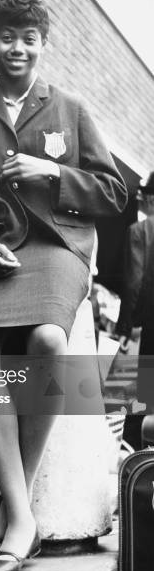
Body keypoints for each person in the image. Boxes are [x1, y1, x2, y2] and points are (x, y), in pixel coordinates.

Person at [0, 0, 127, 571]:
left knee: (49, 339)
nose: (17, 48)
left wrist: (54, 172)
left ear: (43, 45)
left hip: (59, 248)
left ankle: (10, 520)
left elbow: (114, 193)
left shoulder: (69, 108)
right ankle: (22, 518)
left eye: (29, 39)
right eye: (7, 37)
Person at [116, 172, 154, 408]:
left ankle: (127, 443)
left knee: (127, 404)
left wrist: (125, 329)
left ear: (151, 199)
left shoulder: (140, 231)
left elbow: (133, 283)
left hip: (145, 330)